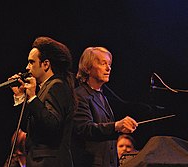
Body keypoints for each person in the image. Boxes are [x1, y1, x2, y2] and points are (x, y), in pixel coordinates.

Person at [8, 36, 76, 167]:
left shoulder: (57, 86)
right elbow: (26, 128)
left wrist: (33, 98)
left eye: (31, 62)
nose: (27, 67)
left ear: (46, 64)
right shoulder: (44, 88)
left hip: (49, 162)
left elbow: (52, 126)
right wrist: (20, 96)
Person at [72, 47, 138, 167]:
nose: (108, 68)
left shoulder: (101, 96)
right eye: (103, 64)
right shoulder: (79, 95)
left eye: (109, 64)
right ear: (87, 68)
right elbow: (84, 128)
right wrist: (116, 126)